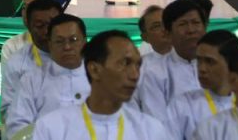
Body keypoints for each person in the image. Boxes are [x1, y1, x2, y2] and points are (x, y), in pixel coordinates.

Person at [32, 30, 170, 139]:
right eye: (125, 63)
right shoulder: (52, 128)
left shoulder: (150, 130)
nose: (134, 75)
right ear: (95, 70)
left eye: (138, 65)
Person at [7, 14, 91, 138]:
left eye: (73, 40)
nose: (67, 47)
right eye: (59, 41)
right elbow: (17, 126)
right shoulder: (32, 80)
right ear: (50, 45)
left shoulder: (102, 78)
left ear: (84, 42)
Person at [133, 0, 207, 113]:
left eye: (196, 23)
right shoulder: (148, 71)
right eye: (156, 26)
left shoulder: (219, 63)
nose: (191, 30)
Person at [165, 29, 238, 139]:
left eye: (210, 61)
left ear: (232, 63)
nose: (201, 69)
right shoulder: (182, 105)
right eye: (199, 60)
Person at [1, 0, 62, 123]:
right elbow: (8, 111)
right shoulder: (17, 62)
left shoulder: (79, 58)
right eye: (40, 26)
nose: (46, 31)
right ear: (28, 27)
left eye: (52, 25)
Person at [0, 0, 58, 68]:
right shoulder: (12, 46)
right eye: (24, 7)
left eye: (33, 7)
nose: (26, 13)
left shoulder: (68, 44)